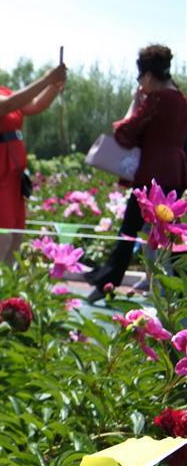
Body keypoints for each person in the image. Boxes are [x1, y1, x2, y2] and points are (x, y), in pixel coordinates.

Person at [85, 44, 187, 302]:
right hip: (175, 170)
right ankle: (170, 286)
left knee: (130, 230)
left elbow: (125, 132)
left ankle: (106, 283)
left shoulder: (157, 99)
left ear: (148, 76)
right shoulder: (181, 100)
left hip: (151, 173)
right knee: (166, 234)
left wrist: (134, 102)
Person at [0, 44, 67, 263]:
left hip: (13, 174)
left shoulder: (5, 92)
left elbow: (35, 105)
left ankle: (6, 294)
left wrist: (55, 85)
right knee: (0, 239)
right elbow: (8, 105)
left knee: (16, 239)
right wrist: (46, 79)